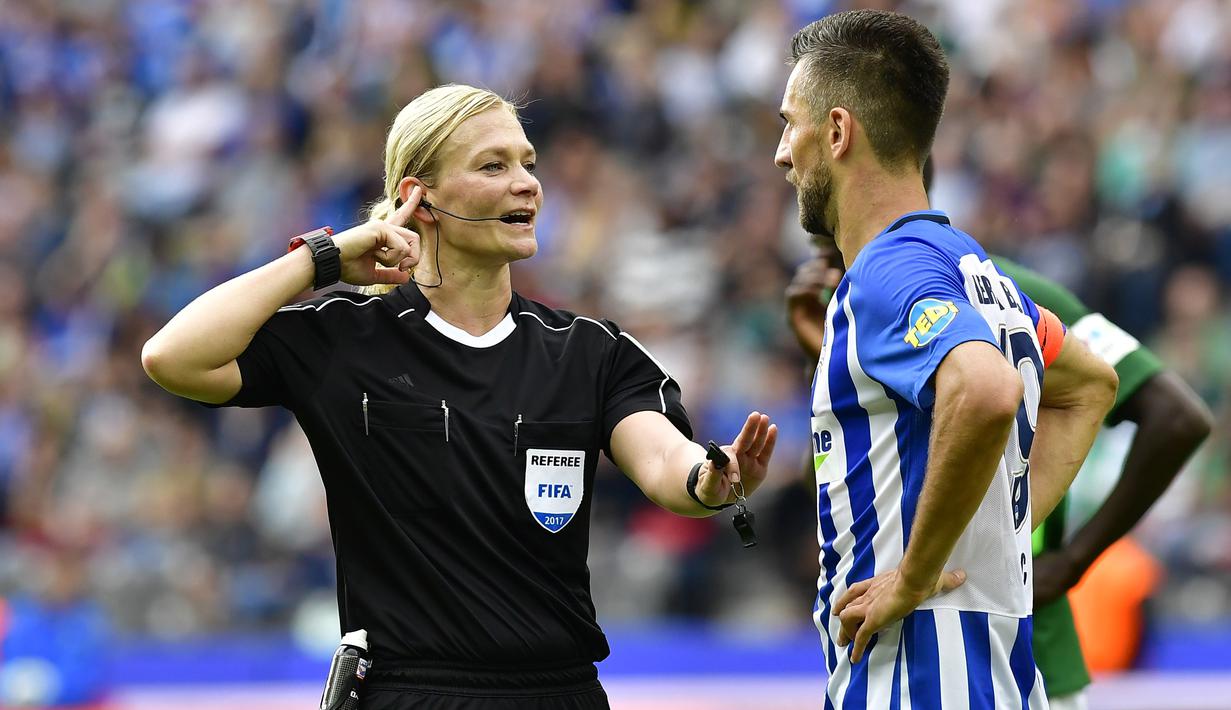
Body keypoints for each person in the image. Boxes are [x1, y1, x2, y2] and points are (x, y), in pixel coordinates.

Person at [141, 83, 778, 709]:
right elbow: (173, 357)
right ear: (420, 198)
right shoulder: (343, 338)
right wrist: (324, 259)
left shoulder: (587, 350)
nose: (527, 183)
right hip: (407, 691)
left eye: (528, 163)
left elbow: (666, 461)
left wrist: (708, 479)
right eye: (493, 166)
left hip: (559, 693)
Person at [775, 11, 1119, 708]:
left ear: (837, 132)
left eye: (790, 123)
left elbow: (988, 391)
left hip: (921, 676)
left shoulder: (885, 272)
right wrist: (982, 535)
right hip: (995, 674)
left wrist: (913, 574)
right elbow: (1087, 385)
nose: (782, 153)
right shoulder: (975, 270)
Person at [785, 159, 1214, 709]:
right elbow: (831, 486)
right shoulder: (860, 304)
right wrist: (824, 360)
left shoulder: (1003, 290)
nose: (831, 272)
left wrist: (1072, 561)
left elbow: (1174, 415)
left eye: (832, 253)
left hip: (1014, 639)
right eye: (823, 258)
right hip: (892, 640)